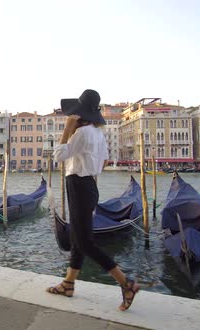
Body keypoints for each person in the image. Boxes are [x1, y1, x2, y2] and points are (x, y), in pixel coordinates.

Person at [46, 89, 140, 311]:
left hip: (78, 185)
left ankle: (126, 283)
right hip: (89, 186)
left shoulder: (81, 133)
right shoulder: (97, 134)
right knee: (79, 238)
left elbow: (58, 156)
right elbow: (105, 161)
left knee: (84, 241)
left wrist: (67, 129)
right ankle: (68, 284)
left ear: (80, 115)